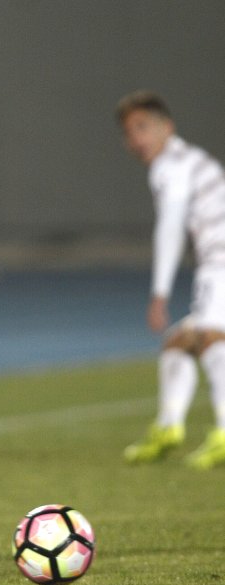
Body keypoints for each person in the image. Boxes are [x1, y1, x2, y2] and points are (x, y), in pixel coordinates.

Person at [117, 90, 225, 470]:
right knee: (179, 342)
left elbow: (170, 227)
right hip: (216, 260)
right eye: (129, 132)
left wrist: (159, 293)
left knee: (212, 336)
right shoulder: (187, 160)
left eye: (143, 127)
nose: (136, 139)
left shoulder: (172, 165)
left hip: (221, 261)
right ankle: (169, 427)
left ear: (168, 127)